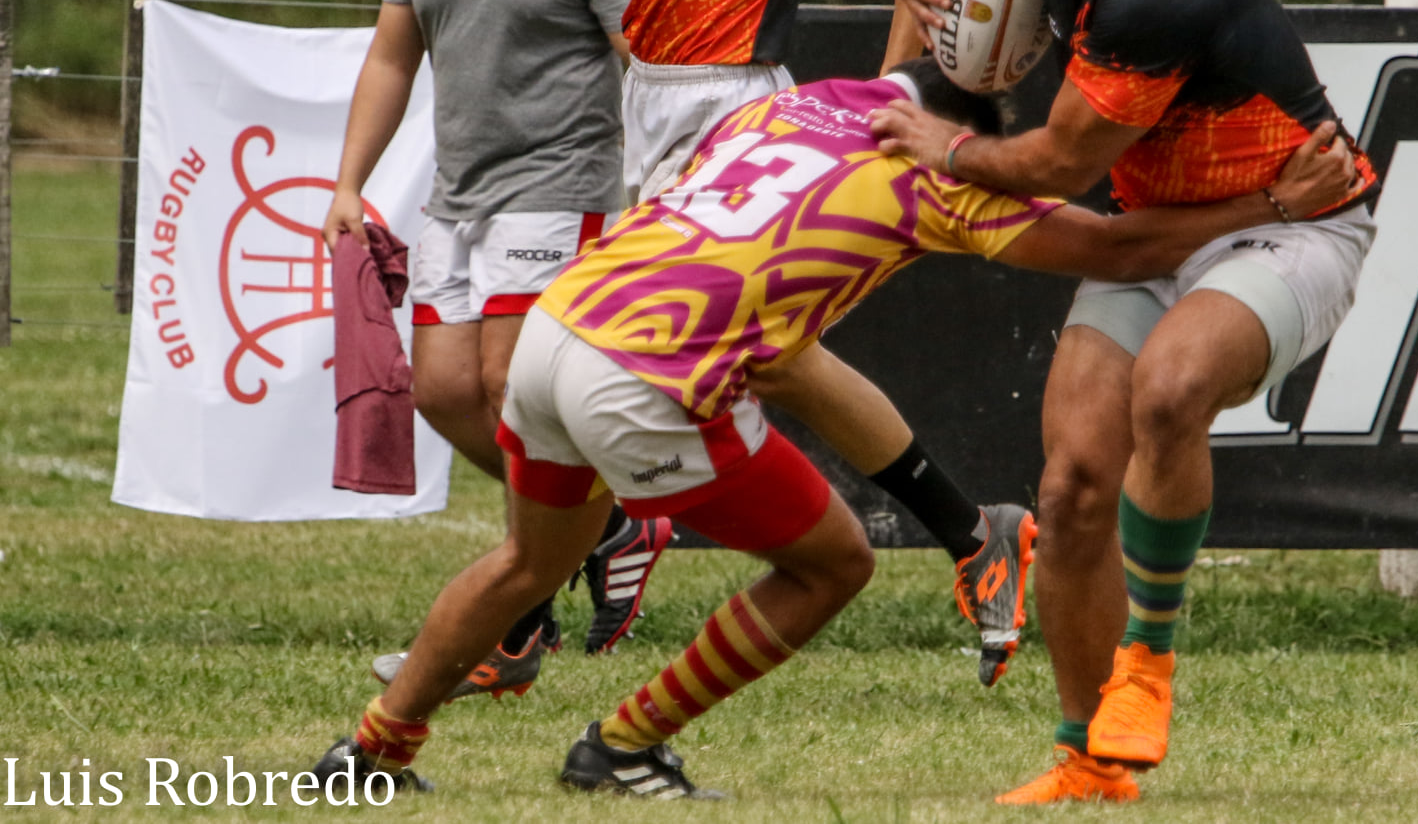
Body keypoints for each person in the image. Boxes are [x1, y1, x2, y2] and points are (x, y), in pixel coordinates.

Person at [309, 56, 1358, 797]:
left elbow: (906, 84)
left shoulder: (806, 103)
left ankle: (372, 747)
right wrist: (1263, 203)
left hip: (558, 327)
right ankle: (621, 745)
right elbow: (1123, 252)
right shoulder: (948, 173)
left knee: (525, 563)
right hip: (640, 373)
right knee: (830, 565)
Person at [544, 0, 1038, 684]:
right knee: (777, 359)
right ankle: (977, 534)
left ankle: (584, 563)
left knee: (610, 341)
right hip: (645, 104)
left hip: (740, 113)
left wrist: (888, 93)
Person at [875, 0, 1378, 804]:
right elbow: (968, 92)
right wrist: (926, 10)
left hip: (1295, 219)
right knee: (1066, 495)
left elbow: (1054, 165)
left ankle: (1146, 665)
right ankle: (1088, 760)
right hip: (1161, 233)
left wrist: (955, 146)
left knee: (1169, 390)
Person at [322, 0, 657, 695]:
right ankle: (602, 529)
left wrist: (665, 174)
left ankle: (517, 617)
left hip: (562, 187)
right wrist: (347, 182)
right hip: (456, 194)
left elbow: (634, 48)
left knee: (515, 385)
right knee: (443, 395)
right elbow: (394, 54)